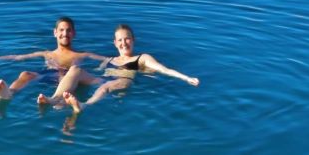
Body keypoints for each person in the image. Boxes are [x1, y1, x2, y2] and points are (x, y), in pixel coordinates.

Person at [37, 23, 200, 113]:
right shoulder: (109, 59)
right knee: (75, 71)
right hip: (104, 80)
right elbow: (95, 74)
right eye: (120, 40)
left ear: (133, 40)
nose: (124, 43)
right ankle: (54, 99)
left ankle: (84, 105)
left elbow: (164, 69)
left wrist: (186, 78)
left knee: (106, 87)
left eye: (127, 39)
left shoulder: (142, 58)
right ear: (115, 43)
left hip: (123, 81)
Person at [0, 16, 105, 100]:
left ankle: (55, 99)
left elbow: (107, 59)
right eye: (61, 30)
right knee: (26, 73)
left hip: (68, 78)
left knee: (65, 76)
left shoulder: (82, 54)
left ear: (74, 33)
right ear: (55, 33)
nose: (65, 33)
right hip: (47, 76)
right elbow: (18, 57)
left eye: (68, 30)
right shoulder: (47, 54)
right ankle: (9, 93)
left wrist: (102, 66)